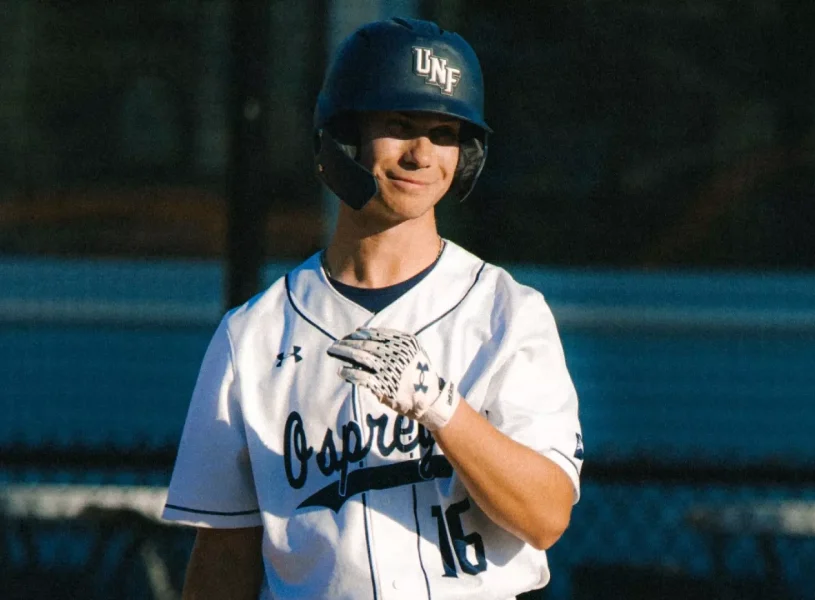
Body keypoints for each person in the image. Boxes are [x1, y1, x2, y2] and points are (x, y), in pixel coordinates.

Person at [162, 17, 583, 600]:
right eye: (399, 124)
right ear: (343, 136)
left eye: (444, 132)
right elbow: (225, 555)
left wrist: (441, 408)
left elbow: (547, 514)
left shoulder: (506, 312)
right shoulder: (252, 336)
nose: (421, 153)